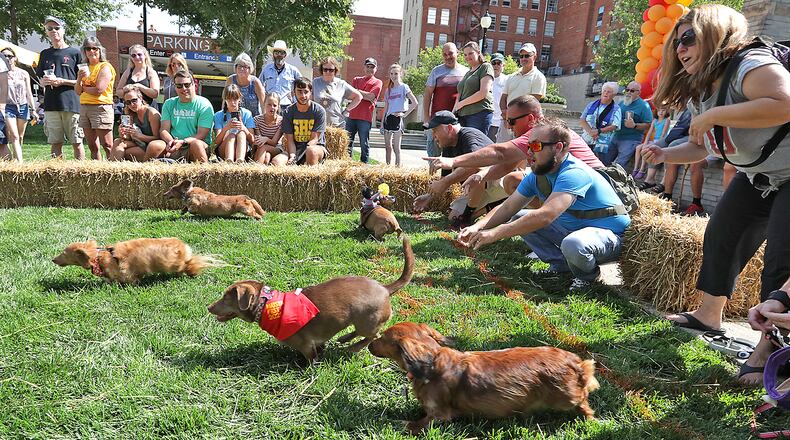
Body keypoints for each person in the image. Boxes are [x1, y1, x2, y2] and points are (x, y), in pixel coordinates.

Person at [643, 4, 790, 386]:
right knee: (722, 233)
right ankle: (710, 315)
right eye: (677, 41)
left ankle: (770, 350)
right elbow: (707, 145)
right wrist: (665, 153)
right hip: (759, 175)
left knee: (781, 262)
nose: (680, 47)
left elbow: (785, 102)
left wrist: (712, 116)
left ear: (715, 34)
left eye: (688, 37)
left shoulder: (749, 63)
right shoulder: (703, 87)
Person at [458, 118, 631, 291]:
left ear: (558, 147)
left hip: (611, 238)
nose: (529, 153)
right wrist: (478, 227)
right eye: (528, 146)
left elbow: (545, 216)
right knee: (519, 217)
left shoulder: (574, 173)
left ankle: (587, 277)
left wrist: (495, 233)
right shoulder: (539, 174)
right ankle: (562, 267)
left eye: (536, 146)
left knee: (573, 244)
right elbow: (508, 207)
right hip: (576, 232)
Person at [425, 96, 603, 214]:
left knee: (516, 181)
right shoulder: (539, 134)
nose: (508, 126)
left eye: (511, 121)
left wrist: (452, 161)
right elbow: (506, 164)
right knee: (520, 180)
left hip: (594, 187)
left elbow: (499, 153)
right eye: (506, 121)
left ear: (531, 119)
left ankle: (550, 225)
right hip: (586, 184)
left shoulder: (541, 133)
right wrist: (481, 175)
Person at [413, 111, 494, 228]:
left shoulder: (469, 135)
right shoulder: (448, 146)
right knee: (453, 217)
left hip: (498, 182)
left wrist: (445, 182)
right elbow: (444, 180)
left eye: (435, 131)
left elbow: (475, 165)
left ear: (449, 128)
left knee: (475, 173)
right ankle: (492, 206)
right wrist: (428, 197)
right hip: (479, 190)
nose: (433, 136)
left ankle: (469, 216)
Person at [35, 16, 85, 159]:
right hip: (51, 105)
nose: (54, 31)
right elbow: (40, 80)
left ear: (63, 30)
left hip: (71, 103)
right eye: (50, 29)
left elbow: (82, 81)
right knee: (55, 142)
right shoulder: (45, 54)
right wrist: (44, 82)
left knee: (77, 141)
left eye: (57, 28)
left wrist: (61, 81)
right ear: (46, 32)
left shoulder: (75, 53)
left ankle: (81, 174)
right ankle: (58, 177)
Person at [148, 70, 214, 163]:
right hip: (174, 144)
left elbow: (201, 134)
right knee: (154, 146)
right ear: (175, 87)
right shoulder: (169, 103)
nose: (183, 88)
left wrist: (183, 142)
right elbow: (164, 129)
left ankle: (205, 176)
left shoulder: (204, 104)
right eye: (179, 86)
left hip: (194, 145)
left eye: (187, 85)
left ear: (194, 85)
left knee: (197, 144)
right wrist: (172, 142)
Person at [422, 43, 469, 157]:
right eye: (445, 54)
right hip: (436, 121)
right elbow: (427, 95)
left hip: (456, 121)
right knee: (433, 156)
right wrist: (427, 118)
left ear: (457, 52)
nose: (448, 57)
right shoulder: (436, 71)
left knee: (455, 156)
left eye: (451, 53)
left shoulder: (466, 71)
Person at [74, 36, 116, 160]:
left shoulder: (105, 66)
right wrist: (79, 79)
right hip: (85, 107)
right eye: (88, 49)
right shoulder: (83, 67)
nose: (92, 51)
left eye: (94, 48)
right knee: (92, 146)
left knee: (107, 145)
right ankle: (96, 171)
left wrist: (84, 88)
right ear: (84, 51)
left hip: (101, 107)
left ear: (100, 50)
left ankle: (113, 170)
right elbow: (77, 91)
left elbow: (99, 90)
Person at [602, 81, 652, 168]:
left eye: (632, 91)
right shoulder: (622, 103)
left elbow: (648, 125)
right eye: (627, 90)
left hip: (631, 139)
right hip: (615, 136)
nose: (629, 92)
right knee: (603, 161)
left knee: (620, 165)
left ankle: (616, 181)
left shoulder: (644, 106)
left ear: (638, 93)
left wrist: (635, 125)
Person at [1, 47, 37, 162]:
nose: (7, 59)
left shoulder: (24, 73)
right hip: (8, 107)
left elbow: (29, 93)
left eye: (9, 56)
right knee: (14, 136)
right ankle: (20, 165)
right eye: (4, 56)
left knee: (20, 137)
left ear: (15, 58)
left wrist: (33, 109)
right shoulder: (2, 75)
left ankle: (16, 159)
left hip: (23, 106)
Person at [281, 77, 327, 165]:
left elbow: (314, 139)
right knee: (277, 161)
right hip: (295, 149)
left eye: (306, 92)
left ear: (311, 92)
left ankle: (312, 178)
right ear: (294, 92)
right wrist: (292, 156)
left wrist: (302, 156)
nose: (303, 96)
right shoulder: (288, 112)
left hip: (315, 147)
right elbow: (290, 140)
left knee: (311, 151)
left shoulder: (319, 111)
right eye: (299, 91)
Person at [110, 85, 161, 161]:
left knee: (123, 152)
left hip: (151, 146)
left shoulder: (151, 113)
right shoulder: (129, 112)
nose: (132, 105)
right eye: (128, 102)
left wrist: (139, 136)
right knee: (117, 141)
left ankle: (114, 168)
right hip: (138, 143)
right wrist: (122, 133)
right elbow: (127, 138)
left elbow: (158, 138)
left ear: (140, 98)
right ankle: (113, 168)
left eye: (134, 100)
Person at [346, 57, 383, 163]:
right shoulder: (356, 79)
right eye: (368, 66)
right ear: (364, 67)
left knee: (364, 143)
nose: (370, 69)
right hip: (352, 116)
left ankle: (364, 165)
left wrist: (357, 91)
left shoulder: (378, 82)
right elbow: (350, 96)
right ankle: (346, 164)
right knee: (348, 142)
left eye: (372, 67)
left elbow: (371, 97)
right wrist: (361, 94)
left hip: (365, 118)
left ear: (376, 69)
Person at [381, 63, 417, 166]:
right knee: (388, 147)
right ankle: (387, 167)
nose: (393, 76)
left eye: (396, 73)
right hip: (388, 119)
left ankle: (397, 168)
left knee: (397, 148)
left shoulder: (404, 87)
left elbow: (414, 103)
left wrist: (404, 114)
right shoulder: (388, 90)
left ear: (400, 74)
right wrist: (383, 123)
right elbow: (386, 107)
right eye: (391, 73)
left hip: (398, 119)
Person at [454, 42, 494, 134]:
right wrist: (454, 111)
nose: (467, 56)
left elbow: (482, 93)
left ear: (478, 52)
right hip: (463, 115)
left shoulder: (485, 67)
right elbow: (459, 94)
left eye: (471, 53)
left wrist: (461, 104)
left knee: (476, 146)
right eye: (465, 54)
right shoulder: (468, 73)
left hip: (479, 114)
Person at [500, 43, 547, 121]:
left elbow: (532, 103)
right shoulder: (511, 76)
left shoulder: (539, 77)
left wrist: (513, 115)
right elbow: (503, 98)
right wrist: (505, 113)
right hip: (507, 120)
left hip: (524, 121)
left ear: (534, 57)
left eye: (527, 56)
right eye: (521, 56)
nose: (523, 58)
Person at [312, 57, 362, 129]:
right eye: (325, 69)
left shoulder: (341, 84)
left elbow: (358, 97)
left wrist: (346, 110)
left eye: (331, 70)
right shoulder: (315, 82)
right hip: (317, 124)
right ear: (321, 70)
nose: (328, 72)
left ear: (335, 70)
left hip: (336, 126)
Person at [213, 84, 256, 162]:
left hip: (243, 149)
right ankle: (229, 161)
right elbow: (217, 142)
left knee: (242, 134)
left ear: (239, 99)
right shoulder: (218, 115)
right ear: (225, 99)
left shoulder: (247, 114)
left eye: (235, 99)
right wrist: (226, 128)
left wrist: (243, 128)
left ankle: (240, 161)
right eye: (229, 99)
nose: (233, 103)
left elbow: (252, 140)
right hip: (224, 150)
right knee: (231, 135)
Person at [579, 82, 622, 159]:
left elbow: (615, 125)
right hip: (586, 139)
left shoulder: (616, 108)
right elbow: (582, 120)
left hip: (603, 142)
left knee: (598, 164)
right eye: (604, 91)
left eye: (609, 92)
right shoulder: (591, 105)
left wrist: (598, 131)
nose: (606, 93)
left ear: (614, 95)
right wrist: (591, 132)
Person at [259, 40, 301, 109]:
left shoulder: (293, 70)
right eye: (276, 53)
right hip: (270, 106)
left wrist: (294, 95)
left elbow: (302, 84)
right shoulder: (266, 69)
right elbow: (259, 85)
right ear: (273, 54)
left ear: (285, 55)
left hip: (287, 106)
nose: (279, 55)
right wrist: (264, 97)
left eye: (282, 53)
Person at [632, 107, 670, 182]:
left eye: (663, 110)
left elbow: (663, 134)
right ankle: (635, 168)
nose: (661, 112)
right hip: (653, 140)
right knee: (638, 147)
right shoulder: (655, 120)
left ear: (666, 111)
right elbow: (649, 132)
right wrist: (646, 142)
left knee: (646, 148)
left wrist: (656, 143)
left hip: (660, 141)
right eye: (659, 110)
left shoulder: (667, 120)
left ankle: (642, 169)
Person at [252, 93, 285, 165]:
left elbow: (274, 142)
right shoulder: (257, 120)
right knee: (266, 157)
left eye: (275, 105)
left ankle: (255, 171)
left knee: (263, 148)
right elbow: (259, 140)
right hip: (261, 148)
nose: (272, 107)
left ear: (278, 107)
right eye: (269, 104)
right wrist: (263, 140)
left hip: (276, 148)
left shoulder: (281, 121)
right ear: (264, 104)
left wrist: (266, 139)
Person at [488, 53, 509, 143]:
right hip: (487, 120)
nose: (496, 65)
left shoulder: (507, 80)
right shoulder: (485, 79)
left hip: (500, 122)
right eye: (493, 63)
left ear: (503, 65)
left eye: (499, 63)